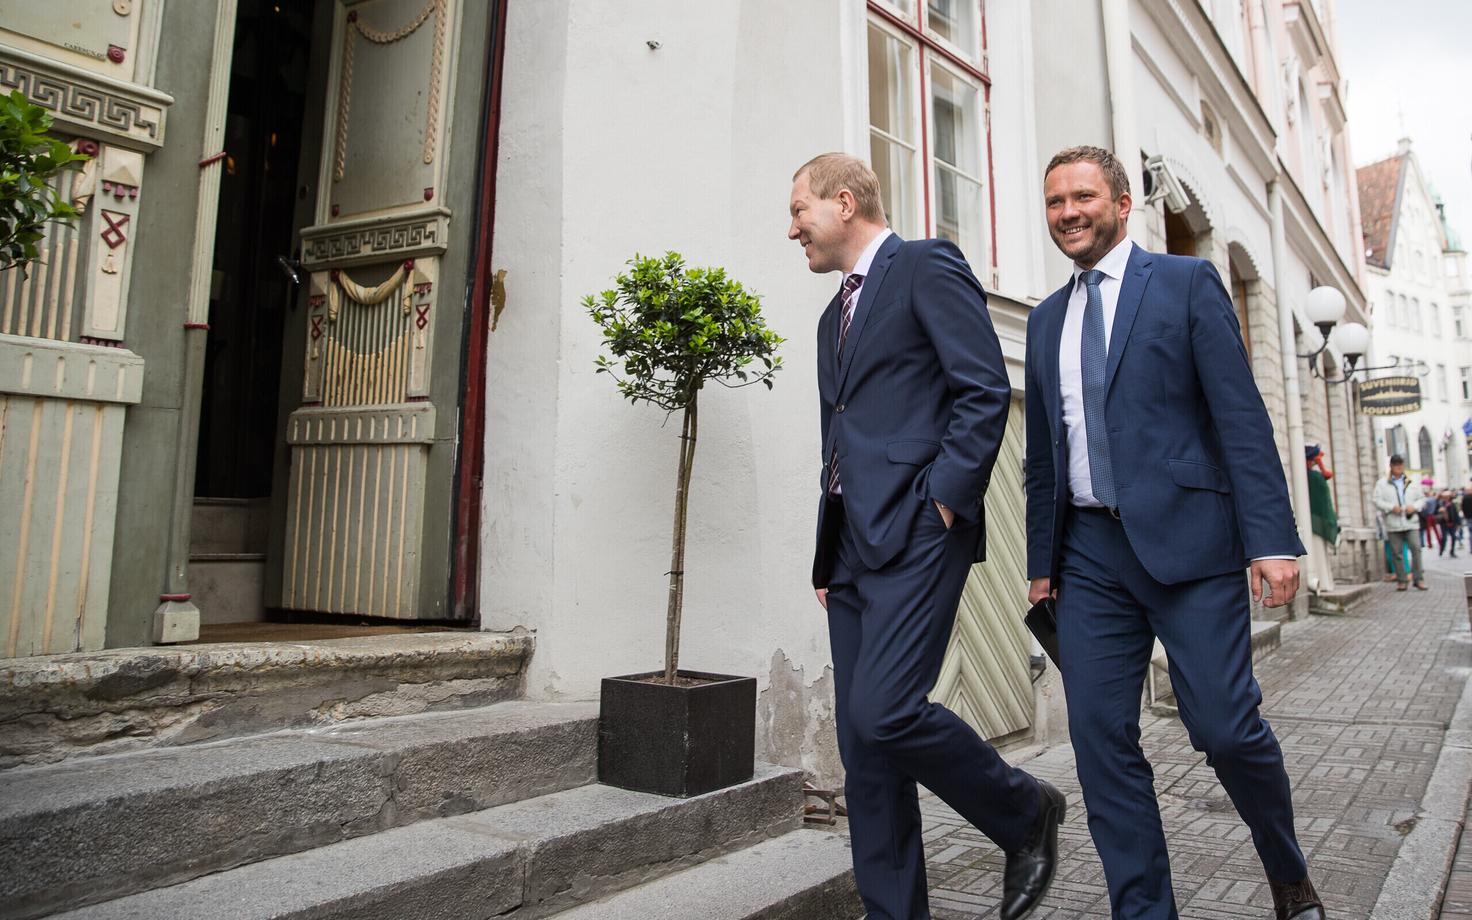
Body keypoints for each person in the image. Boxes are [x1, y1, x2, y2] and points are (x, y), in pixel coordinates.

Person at [1023, 145, 1324, 920]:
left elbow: (1239, 417)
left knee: (1225, 731)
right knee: (1100, 745)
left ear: (1124, 204)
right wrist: (1040, 565)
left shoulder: (1186, 284)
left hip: (1191, 548)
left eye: (1083, 196)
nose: (1068, 213)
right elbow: (1044, 454)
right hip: (1088, 557)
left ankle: (1287, 871)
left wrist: (1273, 537)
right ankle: (1144, 910)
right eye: (1055, 202)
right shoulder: (1049, 316)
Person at [790, 152, 1063, 920]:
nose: (792, 229)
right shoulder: (828, 318)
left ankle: (1024, 811)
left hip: (916, 528)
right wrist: (827, 542)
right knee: (865, 751)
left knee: (885, 710)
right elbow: (838, 436)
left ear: (844, 203)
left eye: (800, 210)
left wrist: (941, 505)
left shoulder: (924, 265)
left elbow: (981, 388)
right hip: (848, 545)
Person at [1372, 455, 1425, 590]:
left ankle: (1418, 579)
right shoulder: (1382, 483)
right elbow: (1377, 500)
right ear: (1391, 466)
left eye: (1400, 464)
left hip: (1411, 521)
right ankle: (1402, 580)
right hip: (1393, 523)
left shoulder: (1412, 482)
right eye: (1395, 464)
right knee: (1397, 553)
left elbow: (1422, 499)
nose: (1398, 467)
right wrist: (1391, 507)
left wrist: (1414, 507)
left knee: (1416, 549)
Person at [1305, 446, 1338, 592]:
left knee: (1320, 553)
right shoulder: (1313, 477)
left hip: (1314, 521)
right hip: (1314, 521)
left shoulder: (1313, 476)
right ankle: (1324, 583)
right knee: (1319, 553)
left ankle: (1324, 582)